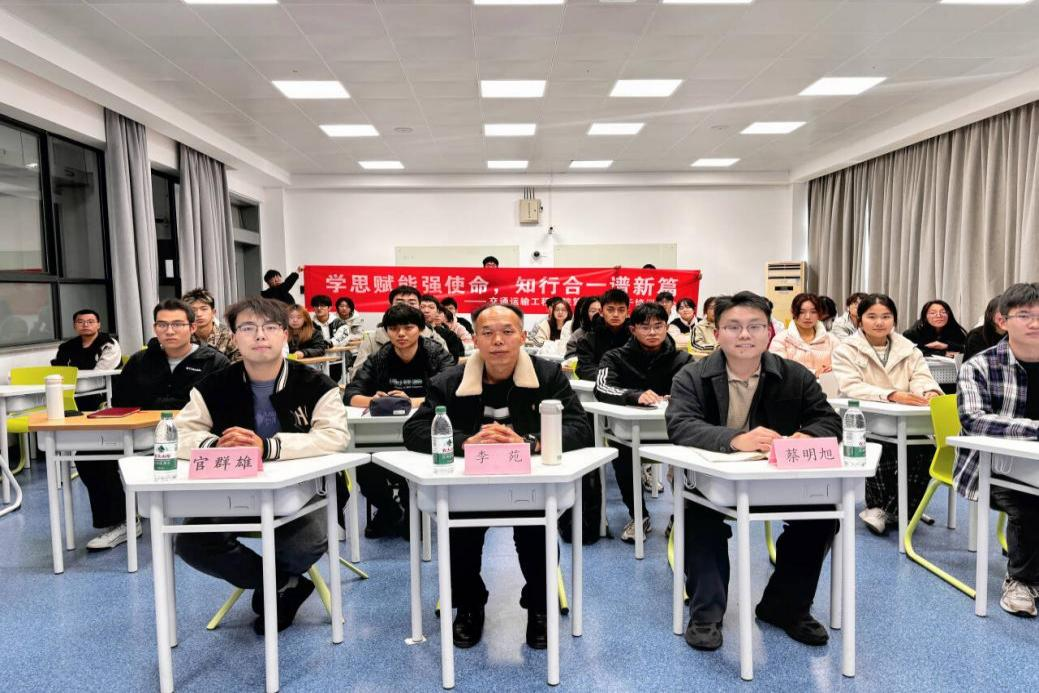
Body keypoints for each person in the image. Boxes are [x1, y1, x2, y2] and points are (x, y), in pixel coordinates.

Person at [402, 303, 592, 650]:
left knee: (537, 532)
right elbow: (414, 430)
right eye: (487, 333)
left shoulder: (548, 375)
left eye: (507, 331)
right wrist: (464, 442)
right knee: (458, 535)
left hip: (529, 484)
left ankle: (539, 606)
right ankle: (469, 604)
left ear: (522, 336)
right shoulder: (449, 381)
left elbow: (580, 427)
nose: (498, 341)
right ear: (475, 339)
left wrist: (531, 442)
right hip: (468, 485)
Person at [666, 291, 842, 652]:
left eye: (755, 326)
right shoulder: (692, 376)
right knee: (698, 519)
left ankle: (784, 606)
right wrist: (735, 439)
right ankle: (706, 614)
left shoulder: (794, 375)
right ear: (717, 333)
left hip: (778, 479)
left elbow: (828, 420)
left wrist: (807, 436)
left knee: (822, 517)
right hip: (711, 481)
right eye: (733, 327)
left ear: (769, 333)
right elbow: (680, 425)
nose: (744, 335)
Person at [173, 296, 350, 634]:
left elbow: (334, 436)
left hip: (304, 493)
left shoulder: (316, 385)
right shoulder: (213, 386)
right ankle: (282, 584)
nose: (259, 335)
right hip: (235, 490)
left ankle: (277, 586)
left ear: (285, 334)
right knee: (192, 543)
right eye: (247, 328)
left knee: (304, 544)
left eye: (270, 327)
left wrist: (268, 447)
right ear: (234, 337)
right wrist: (215, 444)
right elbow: (178, 433)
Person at [87, 299, 229, 552]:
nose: (169, 331)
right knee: (90, 454)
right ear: (155, 328)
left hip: (193, 434)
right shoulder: (140, 361)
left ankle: (203, 517)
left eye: (177, 324)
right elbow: (121, 401)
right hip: (142, 432)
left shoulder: (214, 361)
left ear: (192, 327)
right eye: (162, 325)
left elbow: (221, 405)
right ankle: (122, 521)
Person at [954, 282, 1039, 616]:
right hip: (995, 468)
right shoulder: (979, 366)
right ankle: (1021, 580)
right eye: (1025, 315)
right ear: (1002, 321)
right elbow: (974, 420)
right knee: (1031, 502)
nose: (1035, 323)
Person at [831, 294, 942, 535]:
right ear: (859, 320)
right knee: (881, 448)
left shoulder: (908, 348)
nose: (879, 322)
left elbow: (921, 376)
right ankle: (888, 508)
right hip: (866, 418)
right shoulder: (846, 349)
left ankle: (893, 509)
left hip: (905, 419)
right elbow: (851, 386)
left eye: (886, 316)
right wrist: (891, 394)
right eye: (872, 316)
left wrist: (928, 391)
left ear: (894, 319)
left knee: (926, 450)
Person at [343, 304, 453, 538]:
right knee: (362, 465)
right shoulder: (379, 358)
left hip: (425, 427)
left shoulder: (436, 355)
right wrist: (374, 401)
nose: (401, 334)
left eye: (408, 327)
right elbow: (351, 394)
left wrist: (409, 402)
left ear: (420, 329)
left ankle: (415, 508)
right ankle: (389, 510)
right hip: (383, 431)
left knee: (414, 461)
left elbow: (451, 392)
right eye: (393, 329)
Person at [594, 302, 690, 541]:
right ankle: (639, 516)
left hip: (672, 429)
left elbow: (698, 391)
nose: (652, 332)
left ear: (666, 327)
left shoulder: (683, 359)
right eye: (645, 327)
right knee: (622, 455)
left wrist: (676, 397)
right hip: (629, 430)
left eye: (658, 326)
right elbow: (602, 388)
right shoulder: (615, 357)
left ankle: (679, 516)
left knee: (694, 454)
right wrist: (634, 396)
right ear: (633, 329)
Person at [348, 286, 449, 381]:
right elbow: (358, 376)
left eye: (412, 303)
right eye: (400, 303)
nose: (405, 306)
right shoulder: (372, 340)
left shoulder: (434, 338)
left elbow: (447, 377)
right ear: (390, 306)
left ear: (419, 307)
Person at [768, 292, 840, 377]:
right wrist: (814, 373)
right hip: (794, 385)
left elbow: (842, 364)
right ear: (792, 312)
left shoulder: (831, 340)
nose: (808, 317)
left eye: (813, 312)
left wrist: (831, 369)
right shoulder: (781, 339)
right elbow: (779, 369)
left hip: (826, 384)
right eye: (802, 312)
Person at [576, 289, 631, 380]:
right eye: (610, 310)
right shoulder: (587, 340)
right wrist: (612, 377)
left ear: (627, 313)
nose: (616, 314)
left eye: (621, 310)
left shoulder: (635, 338)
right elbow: (584, 369)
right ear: (601, 312)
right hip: (597, 386)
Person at [51, 308, 121, 372]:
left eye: (90, 322)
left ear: (98, 325)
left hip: (104, 381)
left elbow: (99, 373)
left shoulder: (109, 344)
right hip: (73, 381)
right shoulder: (66, 346)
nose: (85, 325)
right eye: (80, 322)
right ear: (74, 325)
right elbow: (59, 370)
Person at [183, 287, 239, 363]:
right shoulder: (184, 337)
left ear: (213, 312)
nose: (198, 314)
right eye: (193, 310)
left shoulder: (229, 337)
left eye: (204, 309)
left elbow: (238, 365)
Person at [903, 299, 968, 357]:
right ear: (925, 317)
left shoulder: (955, 331)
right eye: (932, 313)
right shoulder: (913, 333)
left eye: (943, 312)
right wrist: (942, 353)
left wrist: (946, 346)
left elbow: (967, 349)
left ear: (949, 315)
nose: (939, 315)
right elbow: (909, 351)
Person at [420, 294, 464, 362]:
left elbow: (453, 361)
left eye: (431, 307)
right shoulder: (413, 332)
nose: (426, 310)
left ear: (437, 311)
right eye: (422, 307)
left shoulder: (450, 335)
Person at [963, 295, 1006, 361]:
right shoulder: (976, 336)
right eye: (1001, 311)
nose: (1005, 315)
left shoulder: (1015, 334)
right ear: (991, 314)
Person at [690, 296, 718, 361]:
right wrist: (715, 347)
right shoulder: (699, 326)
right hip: (707, 360)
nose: (715, 311)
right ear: (706, 311)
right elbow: (696, 345)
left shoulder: (725, 326)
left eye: (717, 308)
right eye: (711, 308)